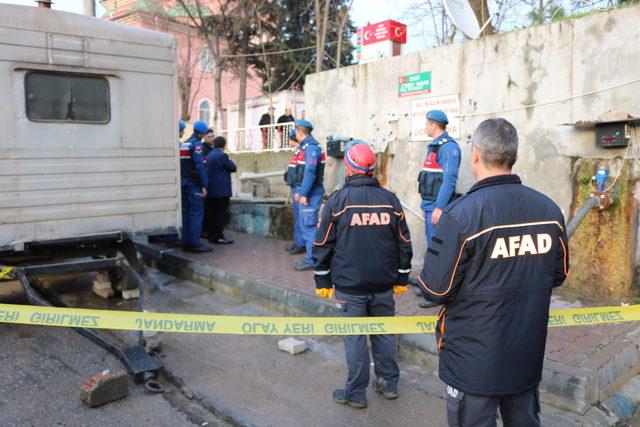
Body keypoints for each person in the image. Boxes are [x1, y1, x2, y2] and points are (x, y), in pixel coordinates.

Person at [416, 118, 569, 426]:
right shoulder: (549, 211)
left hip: (473, 367)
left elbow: (435, 289)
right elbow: (558, 274)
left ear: (475, 155)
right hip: (525, 355)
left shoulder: (461, 215)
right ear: (513, 155)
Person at [313, 141, 413, 409]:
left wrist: (322, 279)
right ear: (371, 169)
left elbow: (322, 244)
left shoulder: (337, 201)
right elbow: (404, 242)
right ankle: (388, 384)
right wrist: (402, 278)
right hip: (383, 285)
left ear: (348, 168)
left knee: (356, 338)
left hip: (350, 287)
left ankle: (356, 393)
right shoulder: (390, 200)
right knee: (384, 334)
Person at [415, 110, 461, 308]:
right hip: (429, 205)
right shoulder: (434, 147)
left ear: (434, 125)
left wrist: (439, 208)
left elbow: (449, 180)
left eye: (427, 124)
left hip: (437, 208)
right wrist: (426, 206)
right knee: (432, 246)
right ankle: (428, 284)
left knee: (439, 250)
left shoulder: (449, 148)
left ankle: (437, 293)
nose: (425, 127)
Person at [292, 119, 325, 271]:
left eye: (296, 132)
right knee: (307, 226)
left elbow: (310, 173)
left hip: (311, 194)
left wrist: (303, 193)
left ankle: (312, 259)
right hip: (308, 193)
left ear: (300, 132)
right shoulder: (307, 146)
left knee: (309, 226)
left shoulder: (311, 148)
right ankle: (312, 257)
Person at [180, 120, 212, 253]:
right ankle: (194, 243)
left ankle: (186, 242)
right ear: (203, 133)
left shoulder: (184, 144)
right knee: (196, 213)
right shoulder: (197, 145)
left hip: (184, 183)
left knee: (186, 213)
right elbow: (199, 166)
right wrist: (204, 185)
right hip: (194, 185)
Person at [205, 136, 236, 245]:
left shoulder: (209, 155)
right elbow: (233, 168)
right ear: (223, 145)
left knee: (212, 214)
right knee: (221, 214)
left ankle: (212, 236)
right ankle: (219, 237)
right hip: (222, 190)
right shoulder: (222, 156)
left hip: (211, 190)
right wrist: (228, 157)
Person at [284, 129, 305, 255]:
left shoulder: (302, 151)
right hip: (294, 187)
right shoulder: (297, 151)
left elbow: (302, 172)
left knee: (300, 218)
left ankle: (301, 244)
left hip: (298, 188)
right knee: (297, 217)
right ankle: (297, 242)